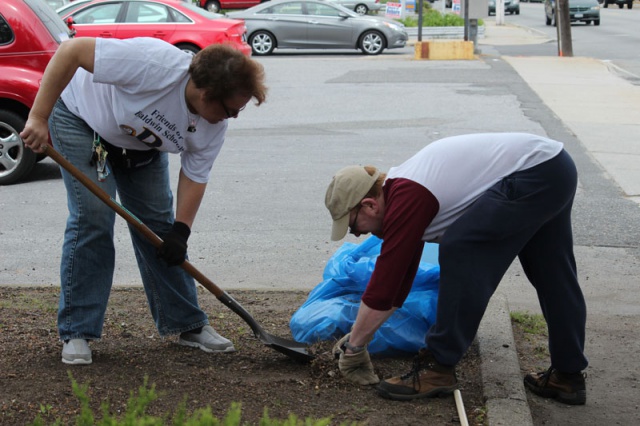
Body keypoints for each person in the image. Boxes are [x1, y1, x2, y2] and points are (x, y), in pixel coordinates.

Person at [20, 37, 267, 365]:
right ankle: (77, 330)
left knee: (160, 231)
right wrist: (38, 117)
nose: (233, 117)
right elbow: (71, 51)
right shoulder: (154, 65)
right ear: (206, 94)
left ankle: (187, 324)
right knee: (94, 217)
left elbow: (195, 176)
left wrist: (181, 232)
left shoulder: (213, 124)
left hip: (140, 147)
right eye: (231, 109)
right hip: (81, 119)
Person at [325, 133, 588, 405]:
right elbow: (398, 281)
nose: (357, 235)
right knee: (553, 274)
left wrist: (355, 347)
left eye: (353, 226)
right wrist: (358, 338)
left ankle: (438, 367)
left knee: (461, 247)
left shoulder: (407, 196)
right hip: (555, 166)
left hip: (535, 172)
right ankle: (567, 376)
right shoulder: (404, 190)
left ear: (369, 205)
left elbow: (387, 280)